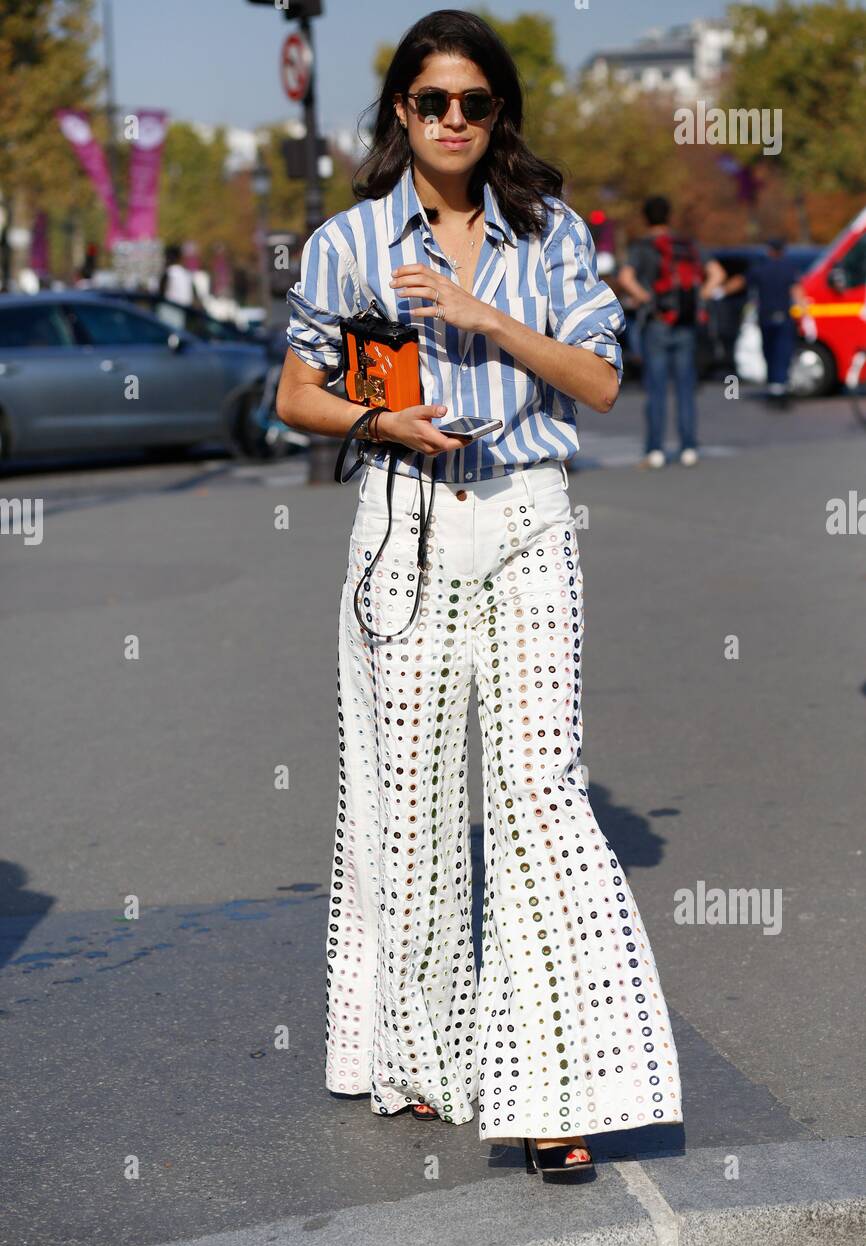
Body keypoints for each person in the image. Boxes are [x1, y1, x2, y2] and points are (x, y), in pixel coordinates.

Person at [277, 9, 683, 1178]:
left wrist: (484, 316)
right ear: (399, 112)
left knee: (540, 791)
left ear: (496, 114)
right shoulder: (349, 245)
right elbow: (295, 397)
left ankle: (559, 1088)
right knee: (405, 810)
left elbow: (601, 381)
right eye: (429, 101)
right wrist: (376, 414)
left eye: (473, 102)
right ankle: (422, 1056)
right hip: (402, 531)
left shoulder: (545, 237)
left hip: (525, 521)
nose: (452, 120)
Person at [618, 196, 726, 468]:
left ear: (646, 217)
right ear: (669, 216)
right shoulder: (687, 245)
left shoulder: (643, 247)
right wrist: (700, 296)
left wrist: (646, 298)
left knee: (656, 388)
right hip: (686, 324)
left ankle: (655, 449)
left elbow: (625, 278)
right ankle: (689, 446)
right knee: (685, 387)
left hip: (656, 324)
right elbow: (718, 273)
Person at [743, 238, 800, 407]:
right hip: (784, 317)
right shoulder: (789, 269)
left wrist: (722, 291)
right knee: (783, 353)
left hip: (765, 317)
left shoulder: (760, 269)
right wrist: (805, 312)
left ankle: (773, 387)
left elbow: (744, 284)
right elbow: (797, 292)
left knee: (769, 352)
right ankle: (780, 388)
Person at [159, 244, 199, 308]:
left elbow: (160, 294)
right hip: (185, 311)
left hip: (170, 310)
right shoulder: (187, 274)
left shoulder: (169, 272)